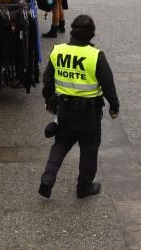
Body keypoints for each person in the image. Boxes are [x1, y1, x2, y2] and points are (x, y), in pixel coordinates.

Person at [39, 15, 119, 199]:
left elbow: (48, 79)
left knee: (60, 143)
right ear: (92, 35)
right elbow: (108, 84)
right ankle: (84, 187)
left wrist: (48, 99)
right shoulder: (95, 55)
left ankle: (48, 178)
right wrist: (114, 107)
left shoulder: (57, 51)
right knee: (89, 148)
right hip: (89, 113)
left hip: (65, 110)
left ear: (72, 31)